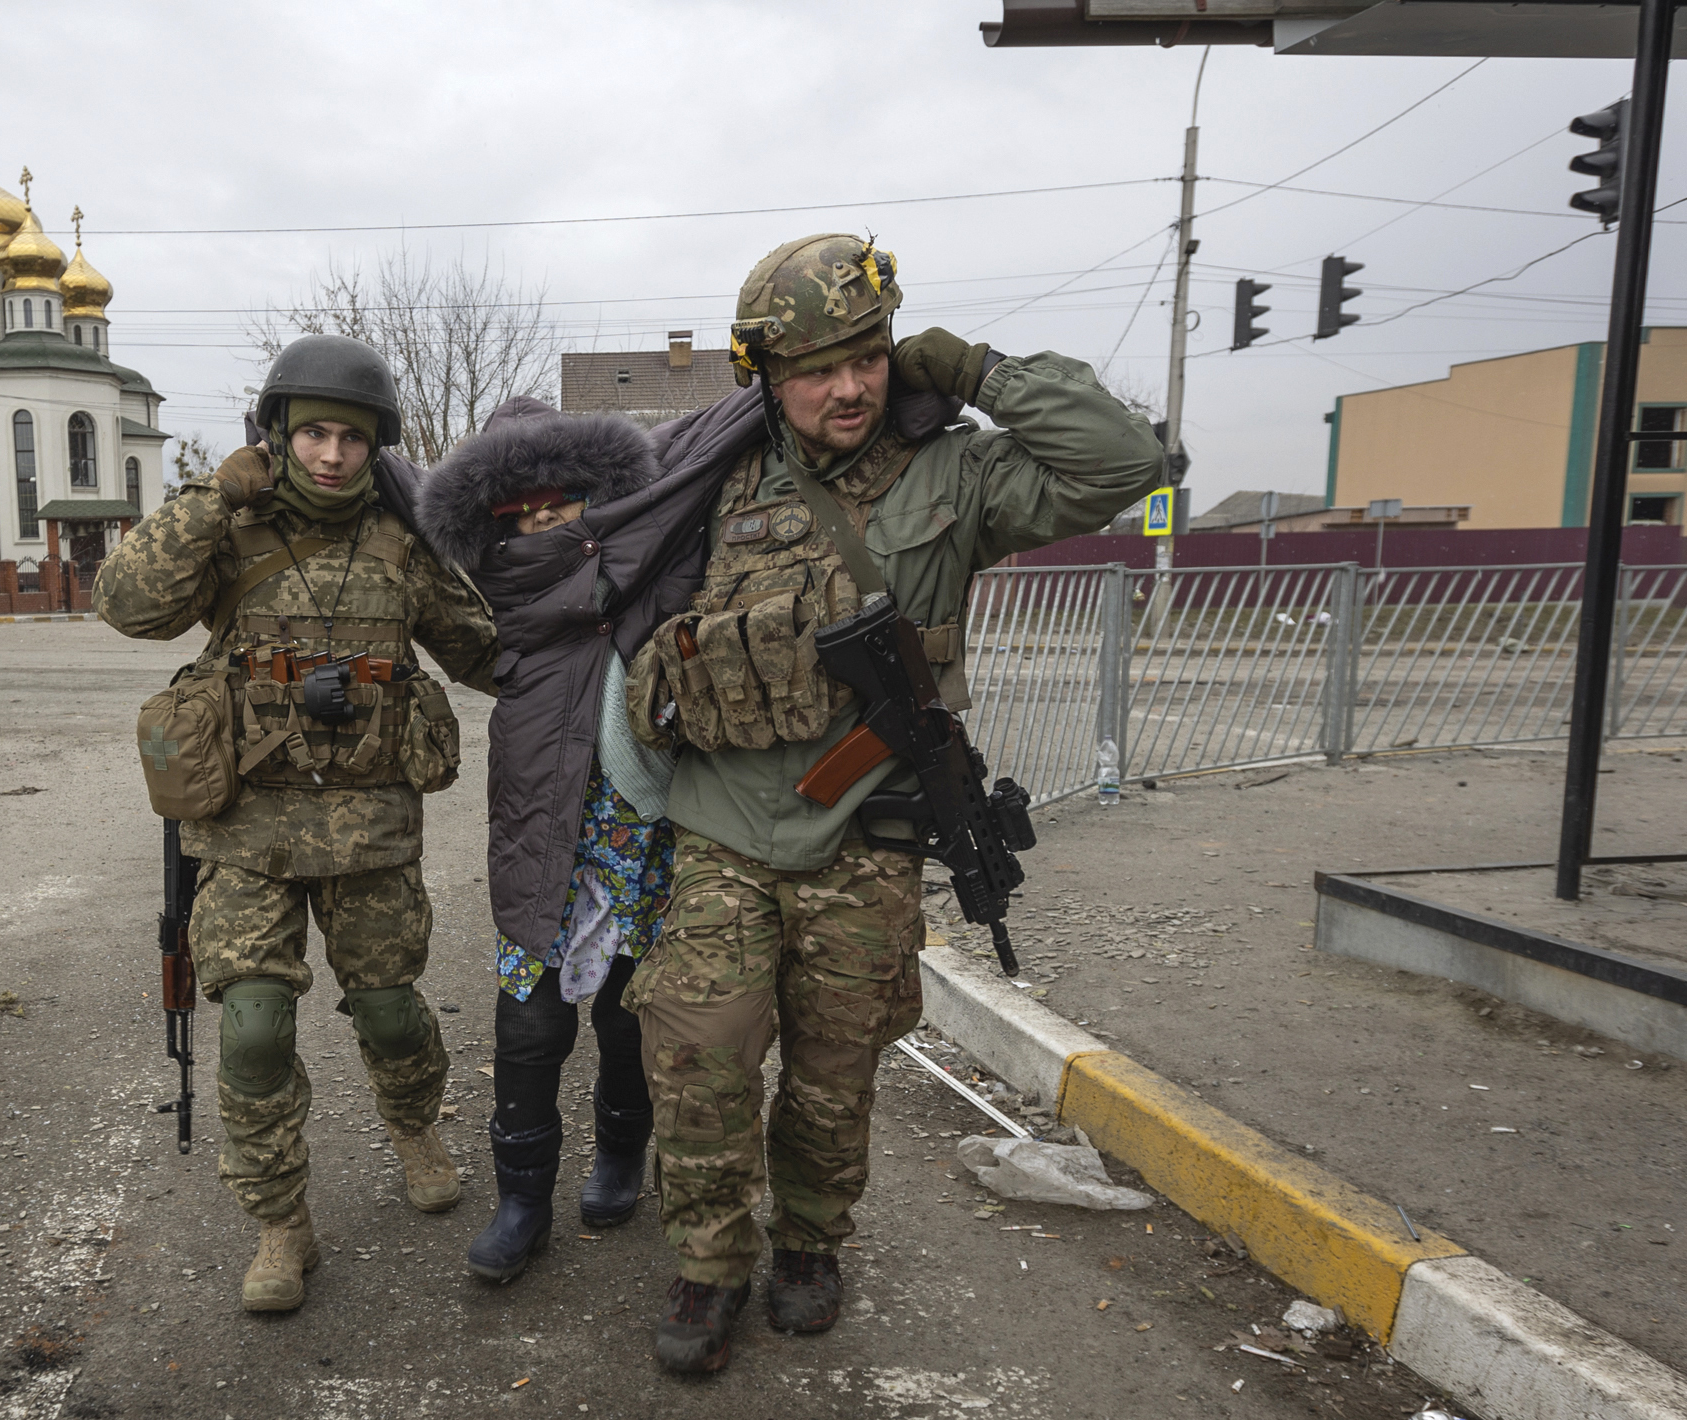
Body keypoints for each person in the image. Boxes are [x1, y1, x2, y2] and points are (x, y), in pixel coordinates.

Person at [621, 233, 1168, 1371]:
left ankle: (811, 1243)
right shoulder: (708, 478)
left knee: (834, 1069)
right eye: (817, 367)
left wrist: (971, 368)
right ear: (767, 375)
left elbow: (1122, 461)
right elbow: (602, 591)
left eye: (868, 355)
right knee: (699, 1057)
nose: (850, 386)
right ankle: (710, 1262)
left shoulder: (952, 474)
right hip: (721, 827)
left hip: (865, 832)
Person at [93, 334, 501, 1314]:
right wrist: (206, 498)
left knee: (394, 1013)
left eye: (350, 438)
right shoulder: (229, 527)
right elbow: (124, 604)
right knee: (256, 1028)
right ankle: (282, 1223)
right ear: (276, 435)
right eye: (311, 433)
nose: (329, 455)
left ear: (376, 446)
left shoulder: (406, 538)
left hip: (369, 831)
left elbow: (487, 648)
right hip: (248, 831)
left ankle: (415, 1128)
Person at [416, 399, 682, 1281]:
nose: (538, 524)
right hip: (541, 848)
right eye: (518, 513)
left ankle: (616, 1157)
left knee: (621, 1016)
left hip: (635, 844)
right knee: (528, 1029)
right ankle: (522, 1202)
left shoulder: (650, 577)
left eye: (555, 504)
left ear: (592, 495)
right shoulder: (496, 612)